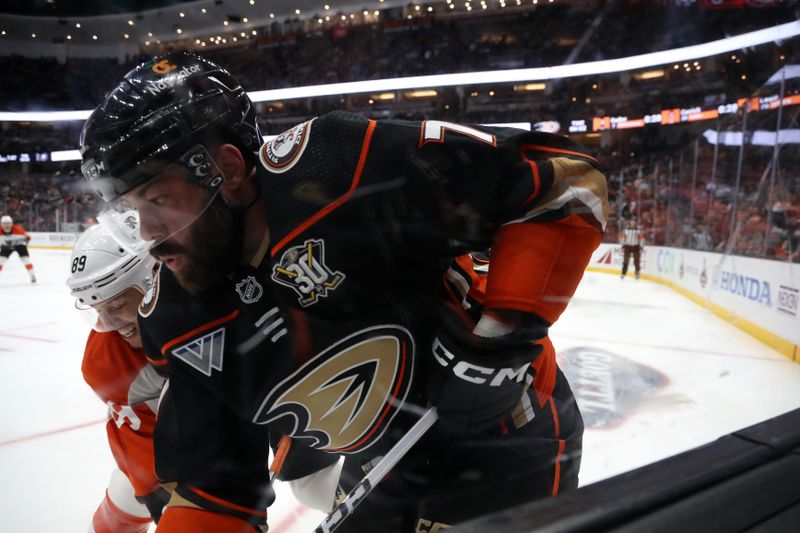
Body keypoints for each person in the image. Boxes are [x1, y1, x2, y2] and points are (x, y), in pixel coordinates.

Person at [80, 52, 608, 532]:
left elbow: (562, 182)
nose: (146, 236)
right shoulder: (176, 318)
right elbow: (214, 496)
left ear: (228, 171)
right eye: (131, 210)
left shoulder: (340, 166)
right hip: (381, 465)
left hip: (508, 440)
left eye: (158, 199)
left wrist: (498, 345)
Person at [66, 224, 170, 533]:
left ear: (153, 278)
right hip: (180, 450)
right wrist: (149, 483)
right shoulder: (105, 361)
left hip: (235, 440)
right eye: (99, 309)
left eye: (117, 304)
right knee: (113, 524)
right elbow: (139, 430)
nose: (109, 323)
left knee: (309, 484)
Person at [0, 215, 36, 283]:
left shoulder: (18, 229)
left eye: (8, 223)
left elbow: (28, 238)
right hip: (6, 246)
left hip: (20, 245)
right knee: (0, 261)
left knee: (26, 260)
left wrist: (21, 242)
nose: (7, 225)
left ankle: (32, 275)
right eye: (4, 223)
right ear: (1, 224)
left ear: (11, 223)